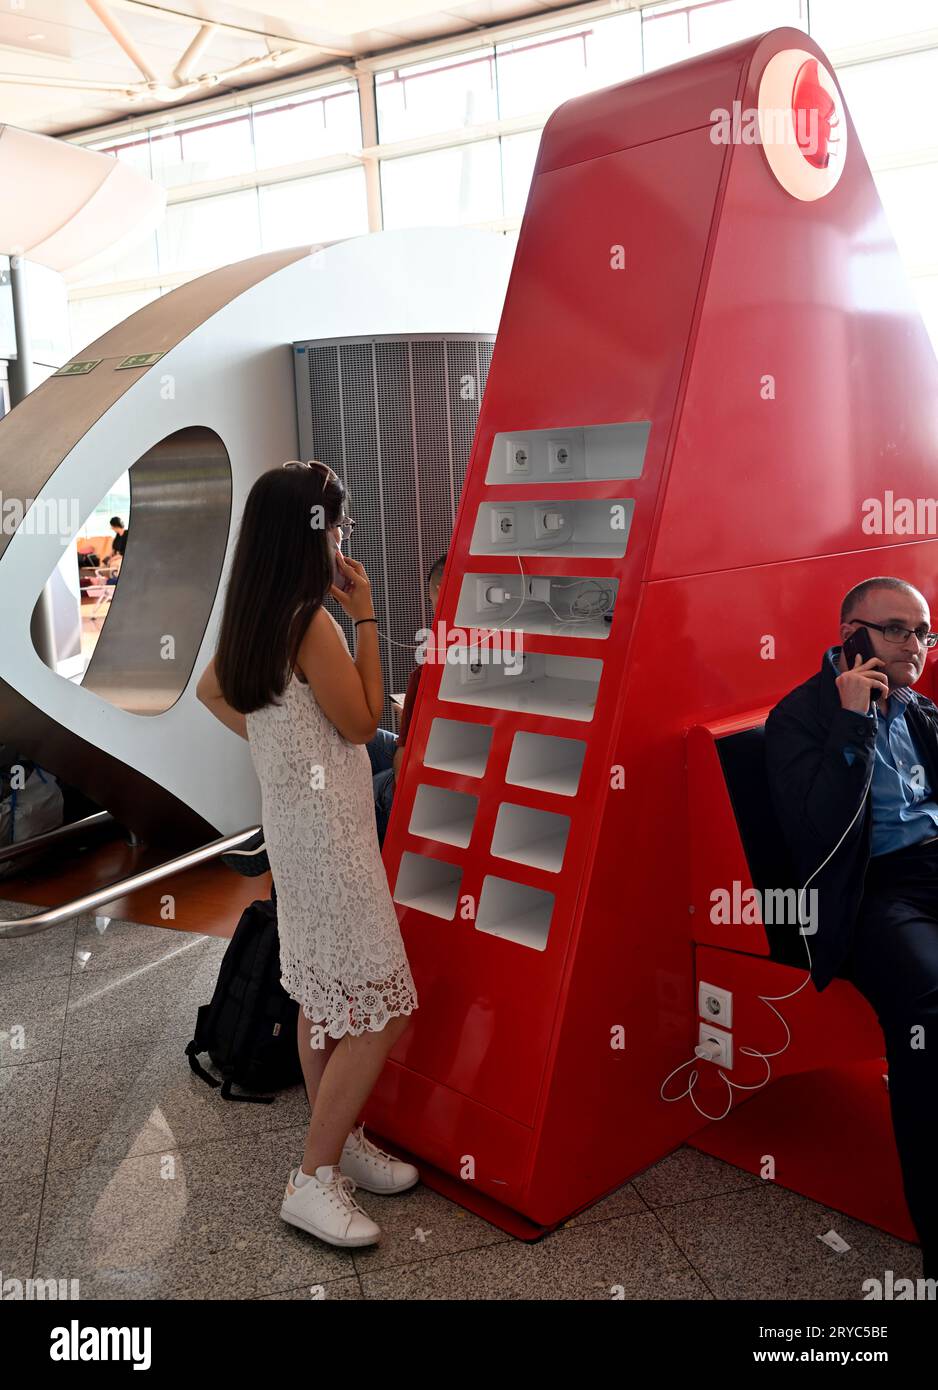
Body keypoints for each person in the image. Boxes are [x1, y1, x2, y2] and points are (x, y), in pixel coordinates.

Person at [195, 459, 419, 1250]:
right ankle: (313, 1177)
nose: (346, 537)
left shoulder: (258, 614)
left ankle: (340, 1140)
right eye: (341, 523)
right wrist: (363, 616)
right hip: (332, 839)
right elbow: (362, 723)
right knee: (387, 1006)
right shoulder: (311, 622)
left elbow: (213, 694)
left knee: (323, 998)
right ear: (314, 533)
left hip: (296, 830)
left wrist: (281, 753)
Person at [765, 576, 938, 1280]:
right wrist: (853, 721)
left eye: (923, 632)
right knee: (930, 1007)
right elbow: (821, 836)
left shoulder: (921, 710)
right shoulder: (800, 718)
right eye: (896, 629)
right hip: (868, 890)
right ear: (851, 636)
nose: (915, 646)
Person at [368, 554, 446, 845]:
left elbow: (403, 776)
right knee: (363, 739)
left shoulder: (428, 671)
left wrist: (408, 724)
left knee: (351, 790)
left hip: (420, 786)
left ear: (439, 590)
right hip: (429, 759)